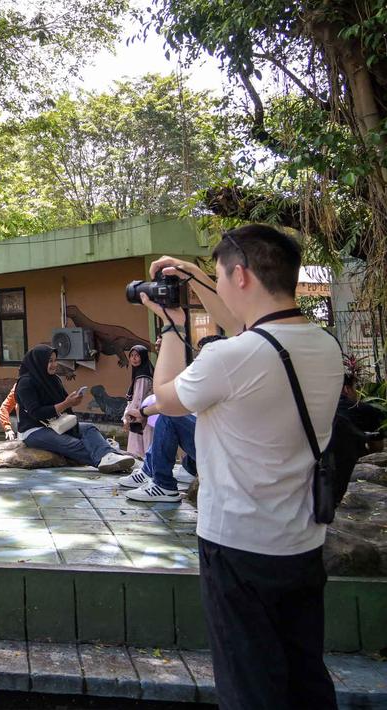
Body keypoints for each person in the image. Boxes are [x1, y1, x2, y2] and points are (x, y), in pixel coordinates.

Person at [143, 225, 342, 709]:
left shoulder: (232, 358)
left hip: (238, 548)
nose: (218, 286)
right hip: (302, 544)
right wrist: (194, 277)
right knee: (304, 680)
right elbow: (249, 332)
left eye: (218, 276)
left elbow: (165, 399)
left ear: (241, 276)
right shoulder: (323, 346)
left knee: (250, 686)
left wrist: (171, 324)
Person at [120, 336, 226, 500]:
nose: (198, 358)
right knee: (179, 416)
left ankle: (162, 484)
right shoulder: (224, 376)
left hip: (220, 452)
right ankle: (185, 470)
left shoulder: (214, 378)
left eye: (202, 354)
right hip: (221, 447)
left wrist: (143, 413)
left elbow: (170, 401)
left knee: (169, 417)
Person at [16, 344, 135, 472]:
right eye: (49, 361)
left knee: (89, 428)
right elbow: (36, 413)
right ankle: (109, 459)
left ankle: (109, 457)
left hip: (56, 424)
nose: (54, 364)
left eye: (55, 360)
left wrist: (72, 401)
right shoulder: (25, 383)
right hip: (34, 430)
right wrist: (66, 404)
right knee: (73, 444)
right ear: (38, 362)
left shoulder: (53, 379)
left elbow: (63, 402)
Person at [121, 344, 154, 456]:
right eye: (132, 355)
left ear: (143, 357)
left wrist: (128, 418)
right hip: (146, 415)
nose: (134, 358)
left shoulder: (142, 376)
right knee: (146, 445)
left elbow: (138, 400)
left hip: (140, 416)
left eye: (137, 356)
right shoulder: (142, 372)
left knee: (141, 448)